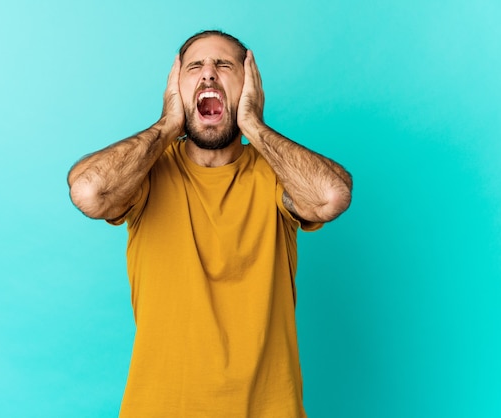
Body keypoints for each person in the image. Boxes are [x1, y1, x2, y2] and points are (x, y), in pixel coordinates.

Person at [67, 30, 352, 418]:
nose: (208, 75)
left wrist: (254, 126)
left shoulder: (275, 176)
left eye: (224, 65)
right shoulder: (147, 174)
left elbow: (331, 196)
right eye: (195, 67)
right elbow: (88, 191)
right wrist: (168, 124)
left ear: (249, 83)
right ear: (176, 86)